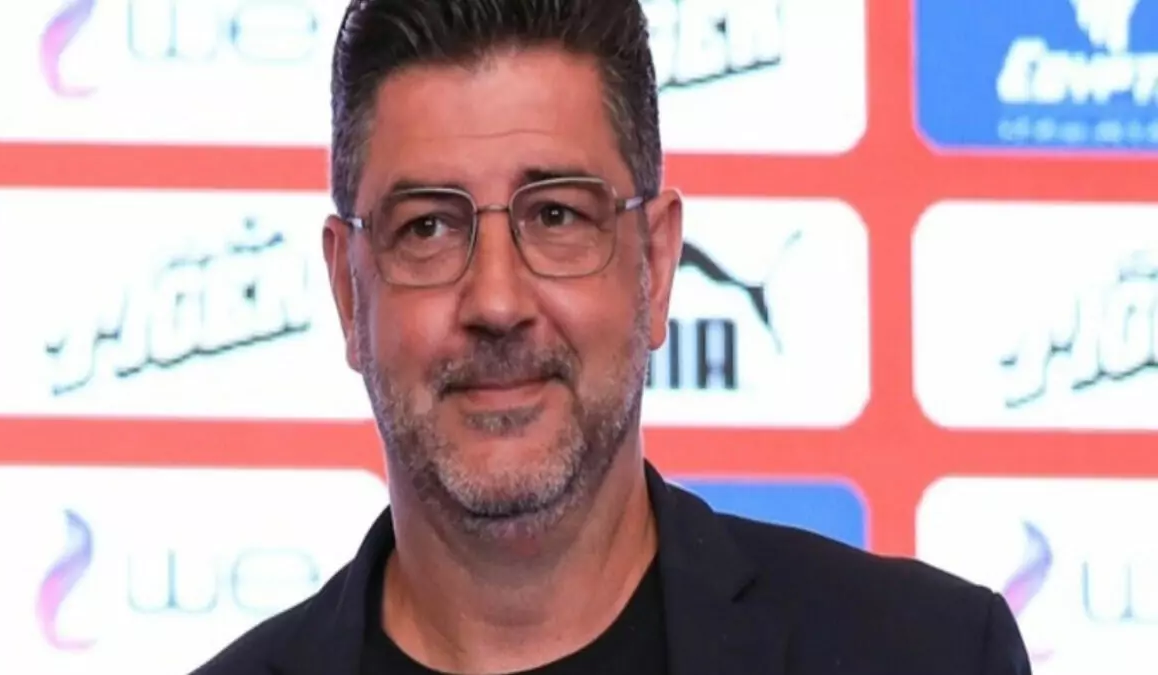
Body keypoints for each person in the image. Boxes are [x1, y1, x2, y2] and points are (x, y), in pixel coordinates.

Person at [190, 1, 1033, 673]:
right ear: (348, 290)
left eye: (557, 215)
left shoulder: (930, 652)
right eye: (429, 227)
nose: (497, 300)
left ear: (656, 265)